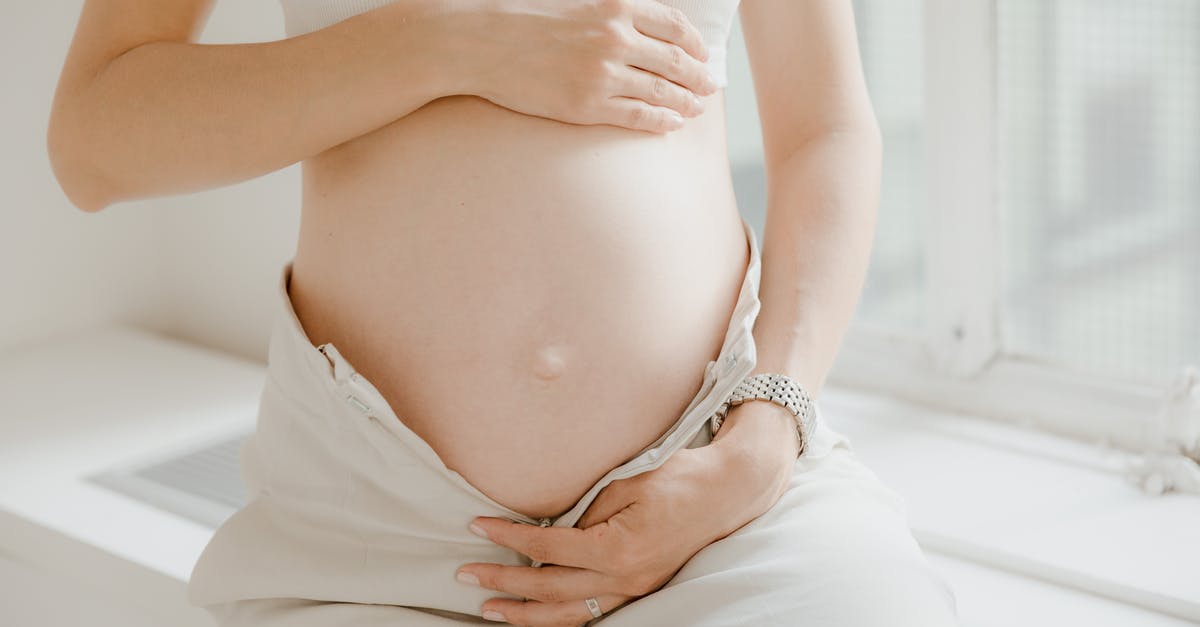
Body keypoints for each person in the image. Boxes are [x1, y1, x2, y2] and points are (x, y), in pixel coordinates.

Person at [48, 0, 959, 625]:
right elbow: (96, 139)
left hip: (717, 499)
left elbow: (828, 130)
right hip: (370, 534)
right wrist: (451, 43)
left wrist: (763, 440)